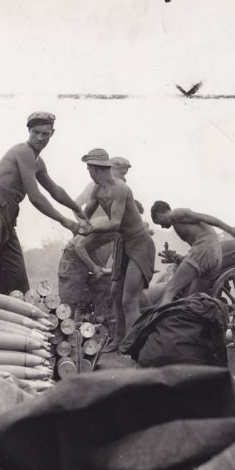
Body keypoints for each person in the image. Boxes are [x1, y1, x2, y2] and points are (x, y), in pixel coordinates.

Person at [0, 111, 84, 294]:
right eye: (35, 132)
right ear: (29, 131)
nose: (40, 138)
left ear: (52, 133)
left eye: (45, 133)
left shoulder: (38, 162)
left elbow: (55, 190)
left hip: (8, 217)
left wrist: (78, 209)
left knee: (18, 286)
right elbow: (35, 197)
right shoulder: (23, 151)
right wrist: (65, 221)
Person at [78, 149, 155, 353]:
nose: (88, 172)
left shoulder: (120, 189)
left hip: (139, 243)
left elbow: (114, 223)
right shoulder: (97, 189)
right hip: (123, 242)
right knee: (115, 293)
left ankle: (135, 345)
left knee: (129, 300)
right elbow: (87, 212)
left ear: (96, 169)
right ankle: (119, 340)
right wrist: (78, 223)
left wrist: (90, 229)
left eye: (89, 169)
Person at [150, 200, 235, 307]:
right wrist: (183, 258)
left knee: (170, 289)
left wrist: (231, 230)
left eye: (159, 223)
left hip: (204, 250)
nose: (162, 227)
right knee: (191, 300)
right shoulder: (177, 220)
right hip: (215, 256)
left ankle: (161, 317)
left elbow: (206, 218)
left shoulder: (175, 214)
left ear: (159, 215)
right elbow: (199, 244)